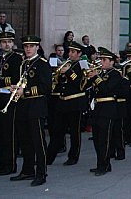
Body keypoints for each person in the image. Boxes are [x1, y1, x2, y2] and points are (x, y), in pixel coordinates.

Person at [11, 35, 51, 186]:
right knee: (25, 140)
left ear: (37, 47)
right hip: (23, 107)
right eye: (26, 46)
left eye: (31, 46)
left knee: (38, 141)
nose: (28, 49)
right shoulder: (23, 64)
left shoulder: (42, 64)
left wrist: (25, 92)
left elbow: (46, 87)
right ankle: (27, 170)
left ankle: (41, 173)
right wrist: (16, 89)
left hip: (36, 106)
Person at [46, 41, 87, 166]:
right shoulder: (67, 63)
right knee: (57, 130)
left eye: (73, 52)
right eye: (69, 51)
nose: (70, 54)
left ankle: (73, 156)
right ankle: (49, 157)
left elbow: (81, 84)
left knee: (75, 132)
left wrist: (68, 72)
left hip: (76, 102)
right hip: (62, 102)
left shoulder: (83, 65)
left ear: (79, 53)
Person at [85, 48, 122, 176]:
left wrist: (96, 77)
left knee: (104, 139)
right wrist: (90, 78)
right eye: (101, 59)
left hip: (108, 108)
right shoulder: (100, 74)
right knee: (97, 139)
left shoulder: (115, 74)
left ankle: (105, 165)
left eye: (104, 60)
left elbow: (106, 89)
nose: (101, 62)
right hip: (97, 108)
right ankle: (100, 164)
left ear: (112, 62)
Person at [0, 32, 21, 175]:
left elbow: (16, 79)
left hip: (10, 98)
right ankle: (2, 162)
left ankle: (11, 164)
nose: (7, 44)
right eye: (4, 42)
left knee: (10, 133)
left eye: (9, 41)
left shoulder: (16, 59)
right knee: (1, 133)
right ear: (0, 43)